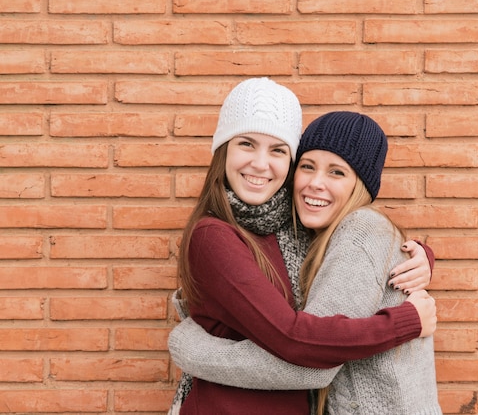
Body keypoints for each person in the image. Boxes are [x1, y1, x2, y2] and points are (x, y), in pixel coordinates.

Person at [169, 79, 437, 415]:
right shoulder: (214, 236)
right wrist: (403, 322)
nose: (260, 163)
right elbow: (295, 340)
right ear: (223, 148)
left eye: (278, 150)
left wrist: (417, 255)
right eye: (246, 144)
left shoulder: (296, 229)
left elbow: (359, 253)